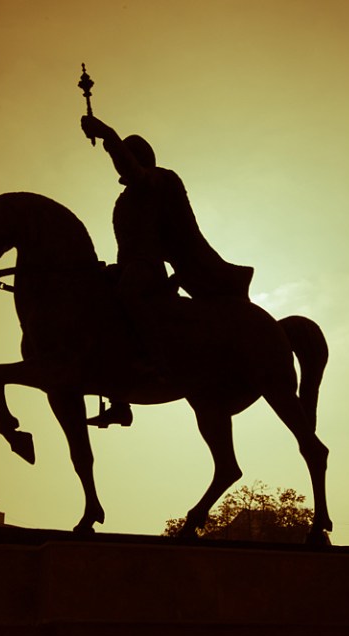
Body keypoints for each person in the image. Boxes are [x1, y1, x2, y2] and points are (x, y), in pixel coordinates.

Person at [81, 115, 253, 427]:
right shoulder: (125, 199)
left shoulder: (159, 181)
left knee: (128, 294)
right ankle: (118, 400)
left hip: (148, 269)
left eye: (127, 156)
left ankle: (157, 363)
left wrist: (107, 135)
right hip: (127, 266)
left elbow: (132, 172)